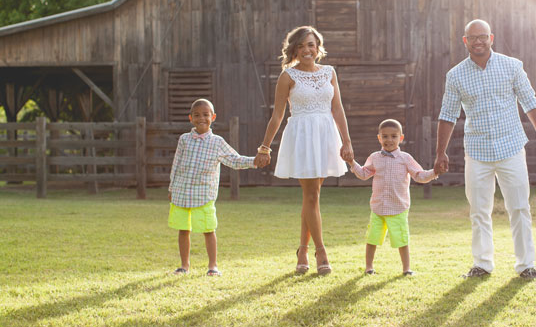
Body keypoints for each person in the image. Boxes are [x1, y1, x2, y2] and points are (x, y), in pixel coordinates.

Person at [435, 19, 536, 280]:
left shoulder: (512, 66)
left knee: (519, 207)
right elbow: (447, 115)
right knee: (479, 210)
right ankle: (482, 264)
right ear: (465, 41)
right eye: (473, 37)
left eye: (483, 36)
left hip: (511, 147)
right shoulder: (455, 75)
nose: (478, 41)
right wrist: (440, 152)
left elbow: (530, 102)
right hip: (477, 151)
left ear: (491, 38)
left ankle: (526, 265)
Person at [254, 25, 353, 275]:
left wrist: (347, 141)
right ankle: (321, 251)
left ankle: (302, 251)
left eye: (311, 44)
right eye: (301, 46)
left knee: (313, 197)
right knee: (311, 196)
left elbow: (338, 109)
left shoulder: (330, 72)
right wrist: (264, 147)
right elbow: (277, 115)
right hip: (302, 135)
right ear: (294, 50)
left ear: (318, 47)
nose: (307, 50)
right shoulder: (288, 76)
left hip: (325, 135)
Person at [168, 98, 259, 276]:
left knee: (209, 229)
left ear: (213, 117)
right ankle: (184, 266)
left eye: (205, 115)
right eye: (196, 115)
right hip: (182, 192)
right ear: (190, 118)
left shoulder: (217, 142)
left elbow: (235, 160)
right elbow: (176, 164)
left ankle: (213, 266)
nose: (201, 118)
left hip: (204, 194)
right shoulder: (184, 139)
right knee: (183, 229)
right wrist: (171, 187)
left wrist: (254, 161)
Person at [347, 119, 437, 276]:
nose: (389, 140)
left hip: (398, 208)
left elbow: (419, 175)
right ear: (379, 138)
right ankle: (369, 267)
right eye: (385, 136)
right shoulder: (375, 157)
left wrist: (434, 172)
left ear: (401, 138)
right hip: (378, 208)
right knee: (372, 238)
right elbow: (363, 174)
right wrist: (351, 162)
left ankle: (406, 269)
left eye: (394, 136)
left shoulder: (405, 158)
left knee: (402, 239)